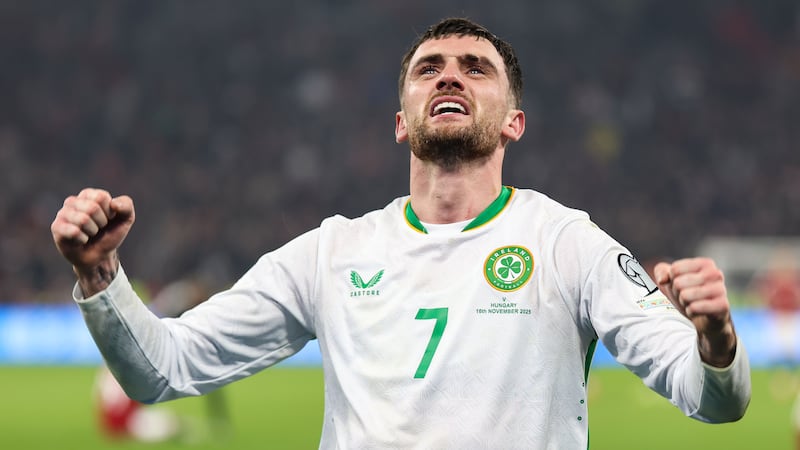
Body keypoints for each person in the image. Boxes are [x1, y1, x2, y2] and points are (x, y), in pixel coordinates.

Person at [51, 17, 750, 449]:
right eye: (428, 69)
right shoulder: (331, 253)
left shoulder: (568, 244)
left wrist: (716, 339)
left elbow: (715, 401)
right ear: (400, 122)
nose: (450, 77)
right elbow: (163, 370)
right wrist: (98, 275)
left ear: (514, 123)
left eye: (476, 68)